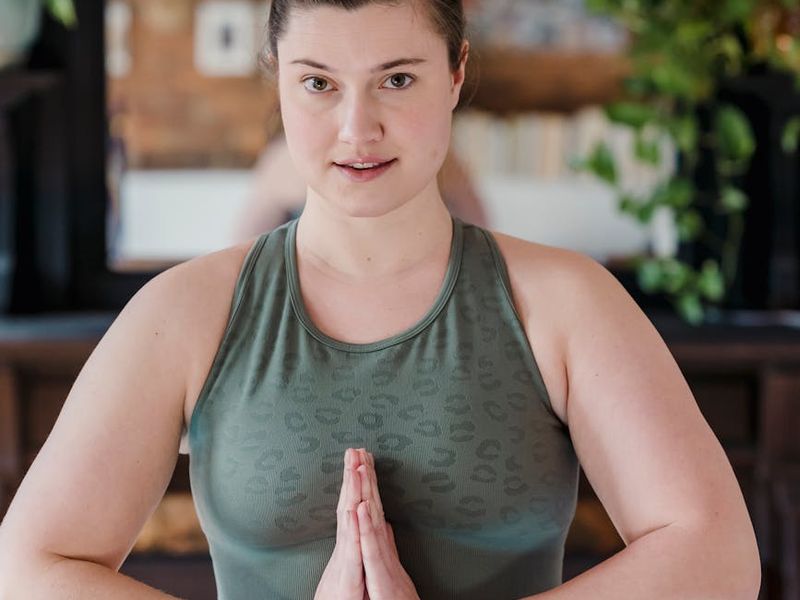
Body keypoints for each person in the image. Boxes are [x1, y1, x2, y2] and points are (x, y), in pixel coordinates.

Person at [0, 1, 761, 599]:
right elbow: (29, 567)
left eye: (397, 80)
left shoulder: (565, 303)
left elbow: (717, 556)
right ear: (277, 78)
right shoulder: (184, 314)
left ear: (456, 74)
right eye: (318, 83)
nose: (357, 128)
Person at [231, 132, 490, 241]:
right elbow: (247, 246)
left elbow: (478, 227)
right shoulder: (283, 161)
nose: (357, 134)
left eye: (397, 81)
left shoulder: (441, 160)